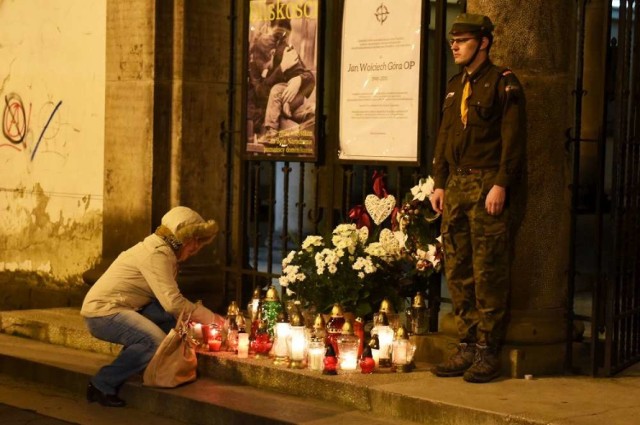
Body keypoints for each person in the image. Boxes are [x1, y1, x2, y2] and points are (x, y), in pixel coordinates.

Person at [429, 13, 526, 383]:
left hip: (486, 185)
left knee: (488, 270)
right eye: (454, 39)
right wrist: (440, 182)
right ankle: (466, 344)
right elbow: (444, 136)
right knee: (457, 269)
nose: (454, 45)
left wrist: (501, 183)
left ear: (483, 42)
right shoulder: (456, 86)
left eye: (463, 39)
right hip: (456, 185)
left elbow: (513, 140)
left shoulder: (504, 84)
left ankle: (488, 350)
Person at [80, 206, 225, 406]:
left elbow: (167, 305)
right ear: (184, 238)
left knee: (168, 324)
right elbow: (172, 302)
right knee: (153, 341)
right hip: (104, 313)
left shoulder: (163, 251)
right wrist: (213, 319)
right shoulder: (156, 255)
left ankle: (146, 366)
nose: (196, 249)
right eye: (195, 242)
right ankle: (102, 384)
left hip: (126, 307)